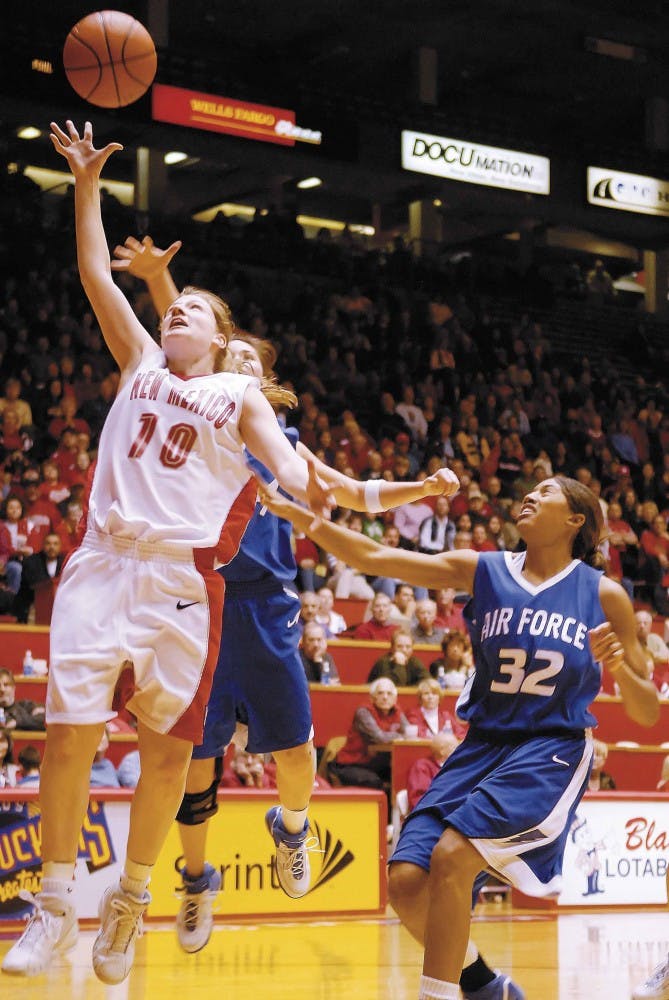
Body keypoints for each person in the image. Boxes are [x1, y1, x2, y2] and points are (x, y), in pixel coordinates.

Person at [0, 119, 338, 986]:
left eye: (194, 308)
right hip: (102, 563)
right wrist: (84, 186)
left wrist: (304, 473)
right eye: (174, 304)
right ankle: (52, 903)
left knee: (165, 752)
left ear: (225, 345)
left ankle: (131, 899)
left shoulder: (237, 394)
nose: (176, 306)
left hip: (186, 583)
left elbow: (280, 447)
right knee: (68, 737)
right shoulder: (143, 358)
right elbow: (92, 274)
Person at [109, 233, 462, 959]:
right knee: (194, 766)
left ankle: (292, 828)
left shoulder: (280, 439)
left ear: (264, 381)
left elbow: (348, 491)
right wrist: (161, 281)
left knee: (295, 753)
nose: (232, 359)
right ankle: (197, 878)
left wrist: (420, 488)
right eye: (226, 353)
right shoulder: (192, 409)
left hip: (266, 610)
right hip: (195, 598)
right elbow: (182, 328)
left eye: (246, 358)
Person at [261, 474, 659, 1000]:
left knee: (453, 856)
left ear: (574, 521)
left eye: (547, 492)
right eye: (530, 488)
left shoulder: (605, 596)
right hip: (483, 745)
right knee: (405, 882)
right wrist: (302, 519)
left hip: (550, 749)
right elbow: (378, 559)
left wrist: (622, 671)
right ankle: (484, 987)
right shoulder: (485, 568)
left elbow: (648, 711)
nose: (531, 495)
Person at [328, 678, 409, 816]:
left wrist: (399, 735)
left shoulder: (397, 711)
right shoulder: (364, 712)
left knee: (403, 775)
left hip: (373, 763)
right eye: (381, 693)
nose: (385, 697)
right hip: (349, 764)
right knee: (374, 781)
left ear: (395, 698)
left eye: (389, 694)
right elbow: (379, 737)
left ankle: (395, 824)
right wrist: (398, 735)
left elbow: (409, 733)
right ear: (372, 697)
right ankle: (378, 821)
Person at [13, 532, 64, 624]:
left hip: (59, 607)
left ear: (60, 546)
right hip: (31, 605)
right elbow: (34, 584)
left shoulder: (65, 562)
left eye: (55, 544)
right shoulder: (31, 561)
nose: (52, 547)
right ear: (43, 545)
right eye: (48, 543)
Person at [406, 732, 460, 812]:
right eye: (454, 747)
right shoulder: (422, 767)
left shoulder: (457, 766)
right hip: (432, 815)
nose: (459, 751)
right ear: (442, 751)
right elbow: (419, 799)